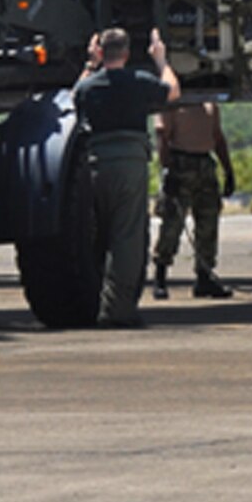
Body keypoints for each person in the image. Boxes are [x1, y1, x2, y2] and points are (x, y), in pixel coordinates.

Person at [71, 25, 179, 329]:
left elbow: (71, 99)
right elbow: (172, 91)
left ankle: (93, 304)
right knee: (127, 239)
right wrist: (161, 60)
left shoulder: (89, 86)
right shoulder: (139, 82)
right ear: (128, 54)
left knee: (97, 236)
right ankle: (117, 311)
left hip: (95, 165)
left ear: (101, 52)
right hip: (129, 165)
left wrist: (90, 64)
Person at [152, 95, 235, 299]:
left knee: (208, 223)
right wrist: (167, 170)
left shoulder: (209, 103)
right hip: (180, 164)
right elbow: (163, 137)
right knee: (172, 225)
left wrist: (228, 171)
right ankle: (160, 277)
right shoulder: (172, 103)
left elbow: (217, 137)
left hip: (205, 165)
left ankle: (204, 277)